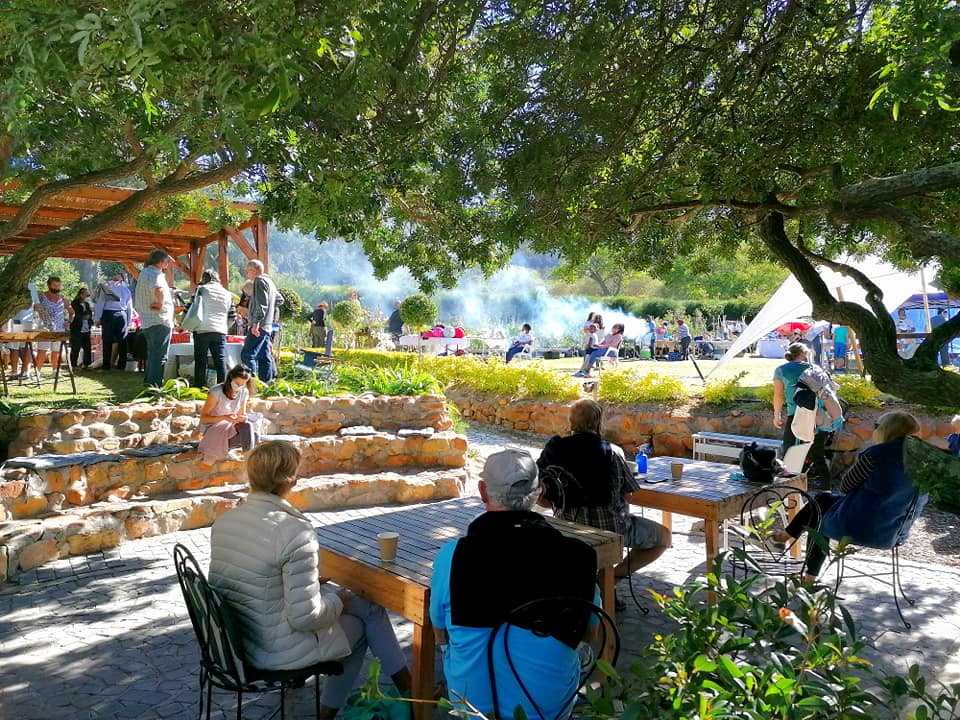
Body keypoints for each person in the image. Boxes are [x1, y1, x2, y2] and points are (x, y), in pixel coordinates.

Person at [208, 440, 412, 719]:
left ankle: (409, 690)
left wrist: (313, 585)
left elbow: (252, 580)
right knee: (363, 622)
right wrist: (335, 599)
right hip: (275, 649)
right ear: (291, 479)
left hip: (237, 640)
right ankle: (396, 696)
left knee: (366, 607)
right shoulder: (294, 531)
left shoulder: (225, 522)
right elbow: (305, 617)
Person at [430, 448, 599, 720]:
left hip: (473, 707)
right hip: (547, 709)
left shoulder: (452, 556)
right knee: (579, 653)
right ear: (540, 491)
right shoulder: (578, 556)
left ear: (483, 492)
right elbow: (590, 633)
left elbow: (439, 631)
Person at [773, 411, 922, 581]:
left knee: (820, 509)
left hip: (858, 526)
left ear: (887, 430)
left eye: (876, 426)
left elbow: (845, 487)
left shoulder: (876, 454)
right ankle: (797, 559)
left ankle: (798, 559)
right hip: (894, 531)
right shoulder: (923, 462)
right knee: (822, 502)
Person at [537, 398, 671, 579]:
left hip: (566, 525)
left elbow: (540, 493)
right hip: (610, 528)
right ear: (598, 423)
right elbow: (628, 495)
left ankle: (602, 584)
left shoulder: (554, 449)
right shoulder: (612, 452)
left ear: (571, 422)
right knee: (664, 537)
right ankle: (610, 580)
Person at [772, 342, 831, 484]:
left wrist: (777, 415)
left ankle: (790, 492)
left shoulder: (781, 370)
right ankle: (826, 491)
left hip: (796, 417)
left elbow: (778, 396)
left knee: (789, 454)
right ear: (805, 354)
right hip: (819, 417)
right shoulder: (816, 368)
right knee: (818, 455)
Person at [196, 364, 258, 469]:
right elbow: (204, 418)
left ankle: (250, 464)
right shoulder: (216, 391)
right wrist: (225, 417)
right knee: (251, 433)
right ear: (231, 379)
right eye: (238, 383)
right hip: (213, 430)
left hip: (230, 428)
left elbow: (240, 415)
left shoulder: (244, 392)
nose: (240, 386)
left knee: (252, 430)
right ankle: (251, 467)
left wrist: (242, 418)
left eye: (243, 384)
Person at [133, 249, 175, 386]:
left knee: (152, 354)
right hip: (159, 320)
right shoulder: (155, 273)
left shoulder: (144, 273)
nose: (168, 263)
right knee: (160, 356)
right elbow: (159, 289)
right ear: (161, 262)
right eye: (167, 260)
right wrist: (160, 303)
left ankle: (149, 382)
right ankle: (155, 385)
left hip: (148, 320)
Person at [191, 269, 235, 388]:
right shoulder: (227, 294)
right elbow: (232, 316)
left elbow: (191, 308)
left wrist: (186, 323)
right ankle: (223, 387)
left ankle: (199, 386)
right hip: (220, 331)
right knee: (220, 360)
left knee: (201, 360)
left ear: (204, 279)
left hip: (202, 329)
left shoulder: (201, 290)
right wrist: (224, 327)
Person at [240, 259, 281, 381]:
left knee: (247, 354)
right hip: (267, 325)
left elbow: (262, 304)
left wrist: (256, 323)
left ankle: (253, 384)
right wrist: (270, 313)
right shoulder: (270, 282)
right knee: (264, 356)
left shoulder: (259, 281)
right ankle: (266, 384)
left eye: (247, 271)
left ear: (253, 270)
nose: (247, 274)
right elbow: (280, 300)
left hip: (259, 325)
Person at [93, 272, 134, 371]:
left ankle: (106, 365)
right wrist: (128, 321)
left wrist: (97, 318)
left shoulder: (107, 288)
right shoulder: (126, 290)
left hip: (109, 314)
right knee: (122, 341)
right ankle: (121, 365)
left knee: (107, 340)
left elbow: (100, 303)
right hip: (121, 314)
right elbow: (129, 307)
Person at [33, 276, 73, 373]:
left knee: (56, 351)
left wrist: (69, 322)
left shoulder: (63, 299)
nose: (56, 288)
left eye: (58, 286)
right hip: (45, 328)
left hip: (59, 328)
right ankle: (37, 372)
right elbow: (34, 307)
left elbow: (72, 312)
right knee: (42, 351)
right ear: (49, 285)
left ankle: (55, 371)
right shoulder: (41, 296)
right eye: (54, 285)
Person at [69, 288, 93, 370]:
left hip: (86, 329)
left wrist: (89, 319)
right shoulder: (74, 303)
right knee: (76, 348)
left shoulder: (87, 304)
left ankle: (86, 365)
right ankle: (73, 365)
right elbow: (76, 314)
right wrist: (83, 316)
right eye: (85, 295)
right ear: (81, 294)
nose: (86, 297)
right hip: (77, 329)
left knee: (87, 347)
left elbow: (90, 313)